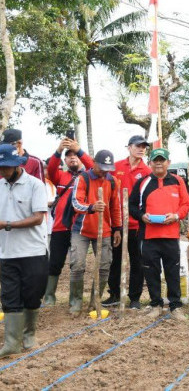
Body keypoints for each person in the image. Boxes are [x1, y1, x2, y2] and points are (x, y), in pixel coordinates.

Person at [0, 144, 49, 358]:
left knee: (32, 295)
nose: (2, 171)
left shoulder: (35, 185)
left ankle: (29, 337)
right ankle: (11, 342)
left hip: (33, 251)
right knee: (9, 297)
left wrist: (7, 224)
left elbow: (38, 218)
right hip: (6, 252)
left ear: (17, 165)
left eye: (5, 167)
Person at [129, 148, 189, 321]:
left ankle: (175, 306)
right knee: (151, 272)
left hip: (171, 236)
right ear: (150, 163)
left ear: (168, 163)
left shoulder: (178, 181)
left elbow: (186, 204)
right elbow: (132, 205)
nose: (158, 163)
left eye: (162, 160)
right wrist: (142, 216)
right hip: (148, 236)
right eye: (155, 160)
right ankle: (156, 305)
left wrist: (176, 216)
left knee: (173, 271)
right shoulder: (143, 182)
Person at [69, 150, 122, 317]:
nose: (104, 171)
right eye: (101, 168)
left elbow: (115, 206)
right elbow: (76, 202)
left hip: (104, 230)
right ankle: (76, 303)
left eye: (108, 168)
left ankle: (94, 301)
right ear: (94, 163)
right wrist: (91, 207)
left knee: (104, 266)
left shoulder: (112, 181)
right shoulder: (82, 178)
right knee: (77, 265)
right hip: (82, 230)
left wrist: (117, 228)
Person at [44, 137, 93, 306]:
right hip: (60, 227)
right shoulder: (60, 176)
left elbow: (93, 166)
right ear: (65, 161)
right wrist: (59, 150)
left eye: (75, 155)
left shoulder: (88, 177)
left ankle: (75, 300)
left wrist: (79, 150)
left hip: (79, 228)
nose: (73, 158)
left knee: (77, 265)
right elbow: (51, 168)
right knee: (55, 262)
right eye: (69, 156)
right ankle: (49, 297)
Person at [104, 135, 151, 309]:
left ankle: (135, 298)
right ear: (129, 147)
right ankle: (114, 294)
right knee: (115, 260)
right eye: (138, 146)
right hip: (117, 223)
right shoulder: (116, 167)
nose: (141, 149)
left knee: (137, 261)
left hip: (137, 224)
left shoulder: (147, 171)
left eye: (144, 147)